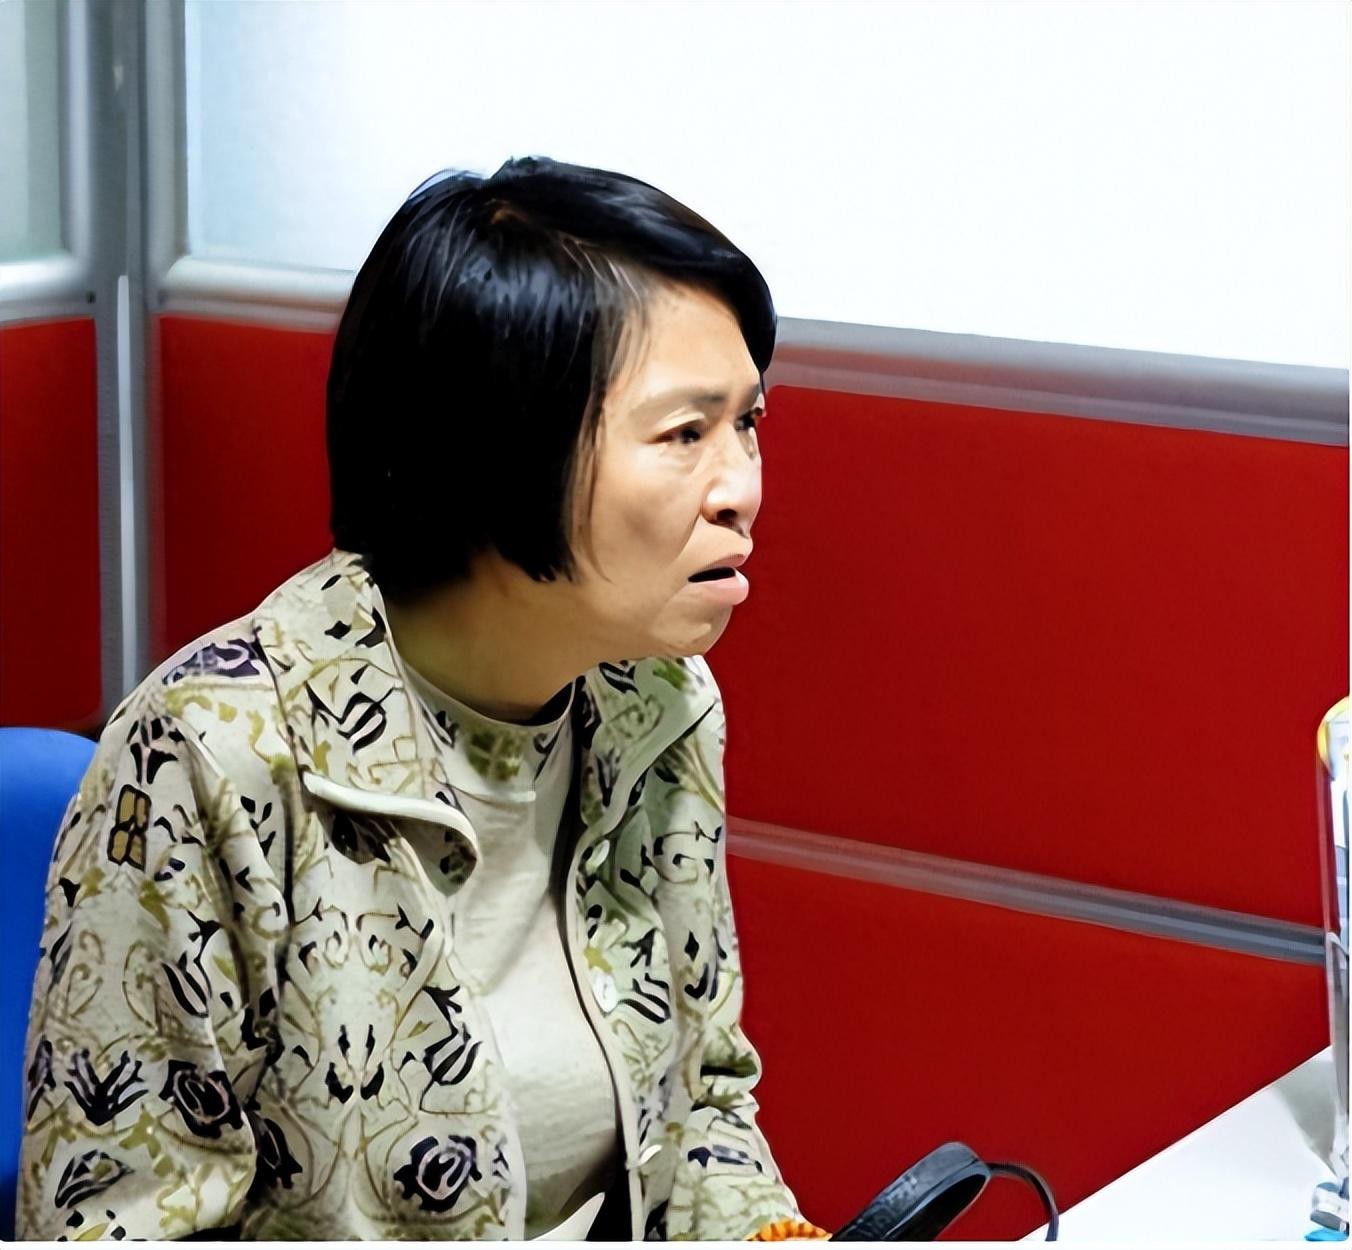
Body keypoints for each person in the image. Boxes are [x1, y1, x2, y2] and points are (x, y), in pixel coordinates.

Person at [17, 157, 831, 1242]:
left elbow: (705, 1104)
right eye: (686, 433)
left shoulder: (659, 706)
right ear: (503, 449)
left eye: (748, 423)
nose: (742, 487)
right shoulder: (216, 756)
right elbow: (118, 1225)